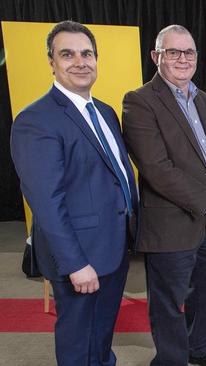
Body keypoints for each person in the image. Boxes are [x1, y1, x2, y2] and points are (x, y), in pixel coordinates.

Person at [10, 20, 138, 365]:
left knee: (101, 334)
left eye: (87, 54)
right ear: (51, 62)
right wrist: (76, 263)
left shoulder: (106, 112)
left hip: (113, 245)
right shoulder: (36, 119)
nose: (80, 62)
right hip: (79, 258)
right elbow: (46, 202)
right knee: (78, 341)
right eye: (67, 54)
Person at [121, 25, 206, 366]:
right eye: (173, 52)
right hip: (171, 224)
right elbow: (156, 168)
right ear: (156, 57)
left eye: (189, 52)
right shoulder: (139, 101)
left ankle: (199, 350)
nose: (183, 59)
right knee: (169, 303)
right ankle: (171, 360)